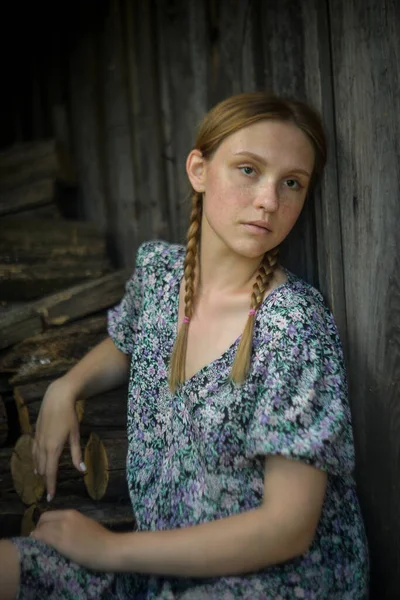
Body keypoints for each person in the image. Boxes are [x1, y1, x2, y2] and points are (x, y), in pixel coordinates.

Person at [0, 92, 369, 599]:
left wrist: (110, 550)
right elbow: (128, 341)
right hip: (163, 563)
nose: (268, 200)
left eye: (291, 183)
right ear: (199, 169)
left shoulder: (293, 326)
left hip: (272, 582)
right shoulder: (161, 275)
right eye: (247, 170)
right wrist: (68, 385)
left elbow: (289, 528)